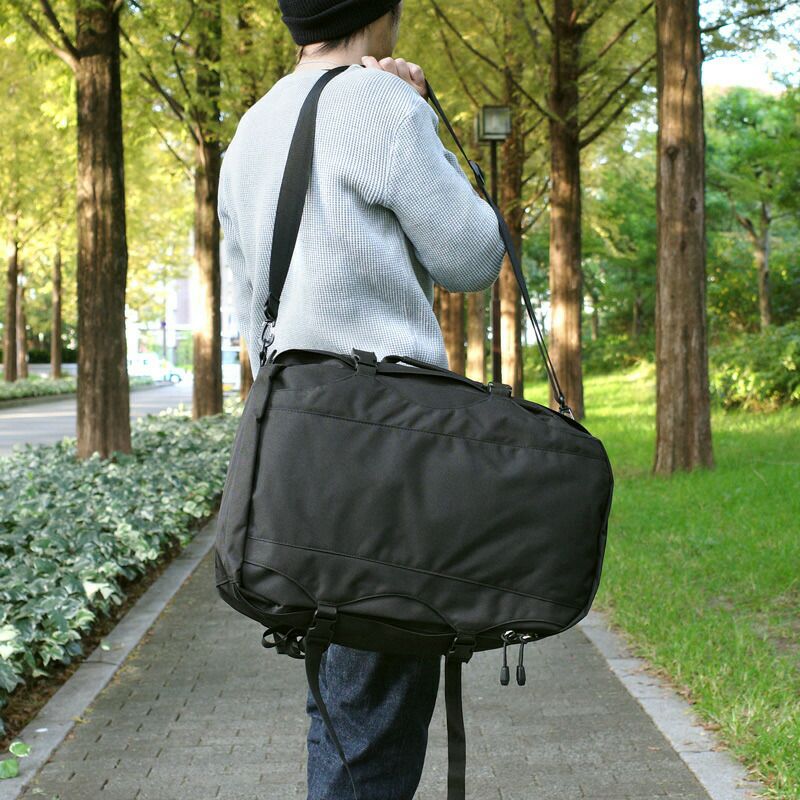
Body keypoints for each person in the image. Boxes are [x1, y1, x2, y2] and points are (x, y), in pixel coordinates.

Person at [217, 1, 506, 797]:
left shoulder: (251, 127)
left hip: (300, 446)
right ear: (384, 9)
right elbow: (473, 256)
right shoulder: (380, 101)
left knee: (342, 706)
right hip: (389, 452)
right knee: (372, 719)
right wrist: (417, 113)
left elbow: (250, 313)